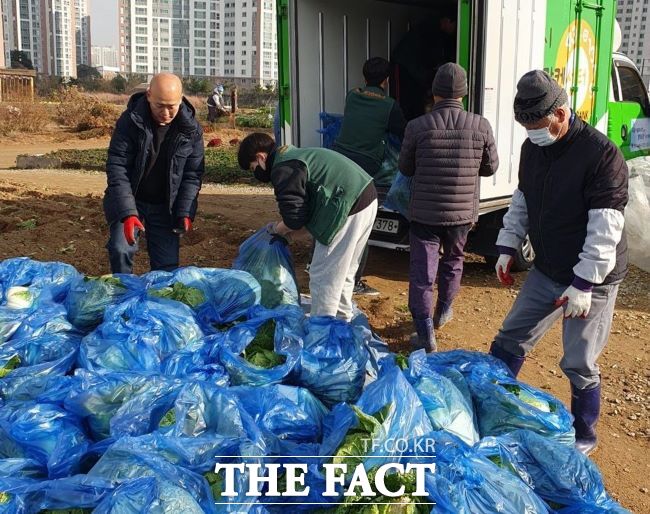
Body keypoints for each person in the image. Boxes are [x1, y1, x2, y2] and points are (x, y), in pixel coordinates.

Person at [490, 70, 628, 456]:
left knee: (578, 361)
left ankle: (584, 436)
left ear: (562, 114)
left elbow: (606, 226)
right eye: (527, 125)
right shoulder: (533, 148)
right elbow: (522, 199)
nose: (533, 132)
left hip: (592, 279)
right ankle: (491, 404)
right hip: (547, 269)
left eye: (539, 124)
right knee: (509, 338)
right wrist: (507, 244)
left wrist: (584, 283)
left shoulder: (601, 155)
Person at [398, 63, 498, 352]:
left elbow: (405, 167)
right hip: (461, 214)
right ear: (464, 93)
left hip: (425, 214)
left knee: (422, 271)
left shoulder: (417, 126)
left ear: (435, 92)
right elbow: (490, 168)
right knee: (454, 261)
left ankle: (425, 333)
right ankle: (443, 311)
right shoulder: (481, 125)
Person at [237, 133, 378, 321]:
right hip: (365, 196)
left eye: (253, 168)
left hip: (348, 203)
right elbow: (308, 214)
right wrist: (290, 234)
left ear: (261, 158)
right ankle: (342, 321)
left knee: (323, 273)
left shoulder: (283, 168)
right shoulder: (291, 157)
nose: (256, 173)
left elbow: (294, 218)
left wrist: (277, 229)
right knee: (343, 271)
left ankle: (322, 331)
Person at [103, 72, 205, 274]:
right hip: (133, 199)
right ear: (148, 95)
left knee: (166, 268)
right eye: (160, 106)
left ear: (181, 99)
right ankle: (123, 296)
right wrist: (128, 213)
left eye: (171, 107)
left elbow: (192, 174)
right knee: (121, 249)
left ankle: (160, 304)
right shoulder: (130, 121)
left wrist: (185, 211)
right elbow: (117, 167)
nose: (166, 113)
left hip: (165, 205)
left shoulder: (190, 129)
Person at [332, 56, 407, 296]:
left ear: (364, 78)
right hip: (364, 170)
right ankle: (354, 282)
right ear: (386, 81)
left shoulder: (351, 96)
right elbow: (404, 133)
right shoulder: (390, 105)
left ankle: (319, 264)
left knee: (333, 215)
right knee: (360, 224)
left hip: (339, 160)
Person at [391, 6, 457, 120]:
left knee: (416, 100)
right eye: (455, 25)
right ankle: (401, 129)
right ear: (447, 21)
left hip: (417, 69)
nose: (456, 29)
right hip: (403, 66)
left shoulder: (438, 32)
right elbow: (420, 58)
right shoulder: (429, 29)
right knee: (402, 102)